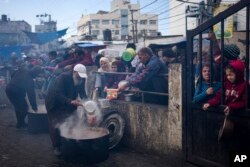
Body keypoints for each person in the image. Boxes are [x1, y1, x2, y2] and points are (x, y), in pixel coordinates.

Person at [45, 64, 87, 156]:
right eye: (79, 75)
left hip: (68, 100)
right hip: (54, 102)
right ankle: (56, 146)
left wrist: (87, 102)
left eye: (82, 76)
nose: (80, 77)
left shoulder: (82, 78)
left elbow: (82, 91)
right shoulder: (63, 77)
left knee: (73, 119)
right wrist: (70, 101)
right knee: (55, 124)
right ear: (74, 72)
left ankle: (71, 141)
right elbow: (58, 93)